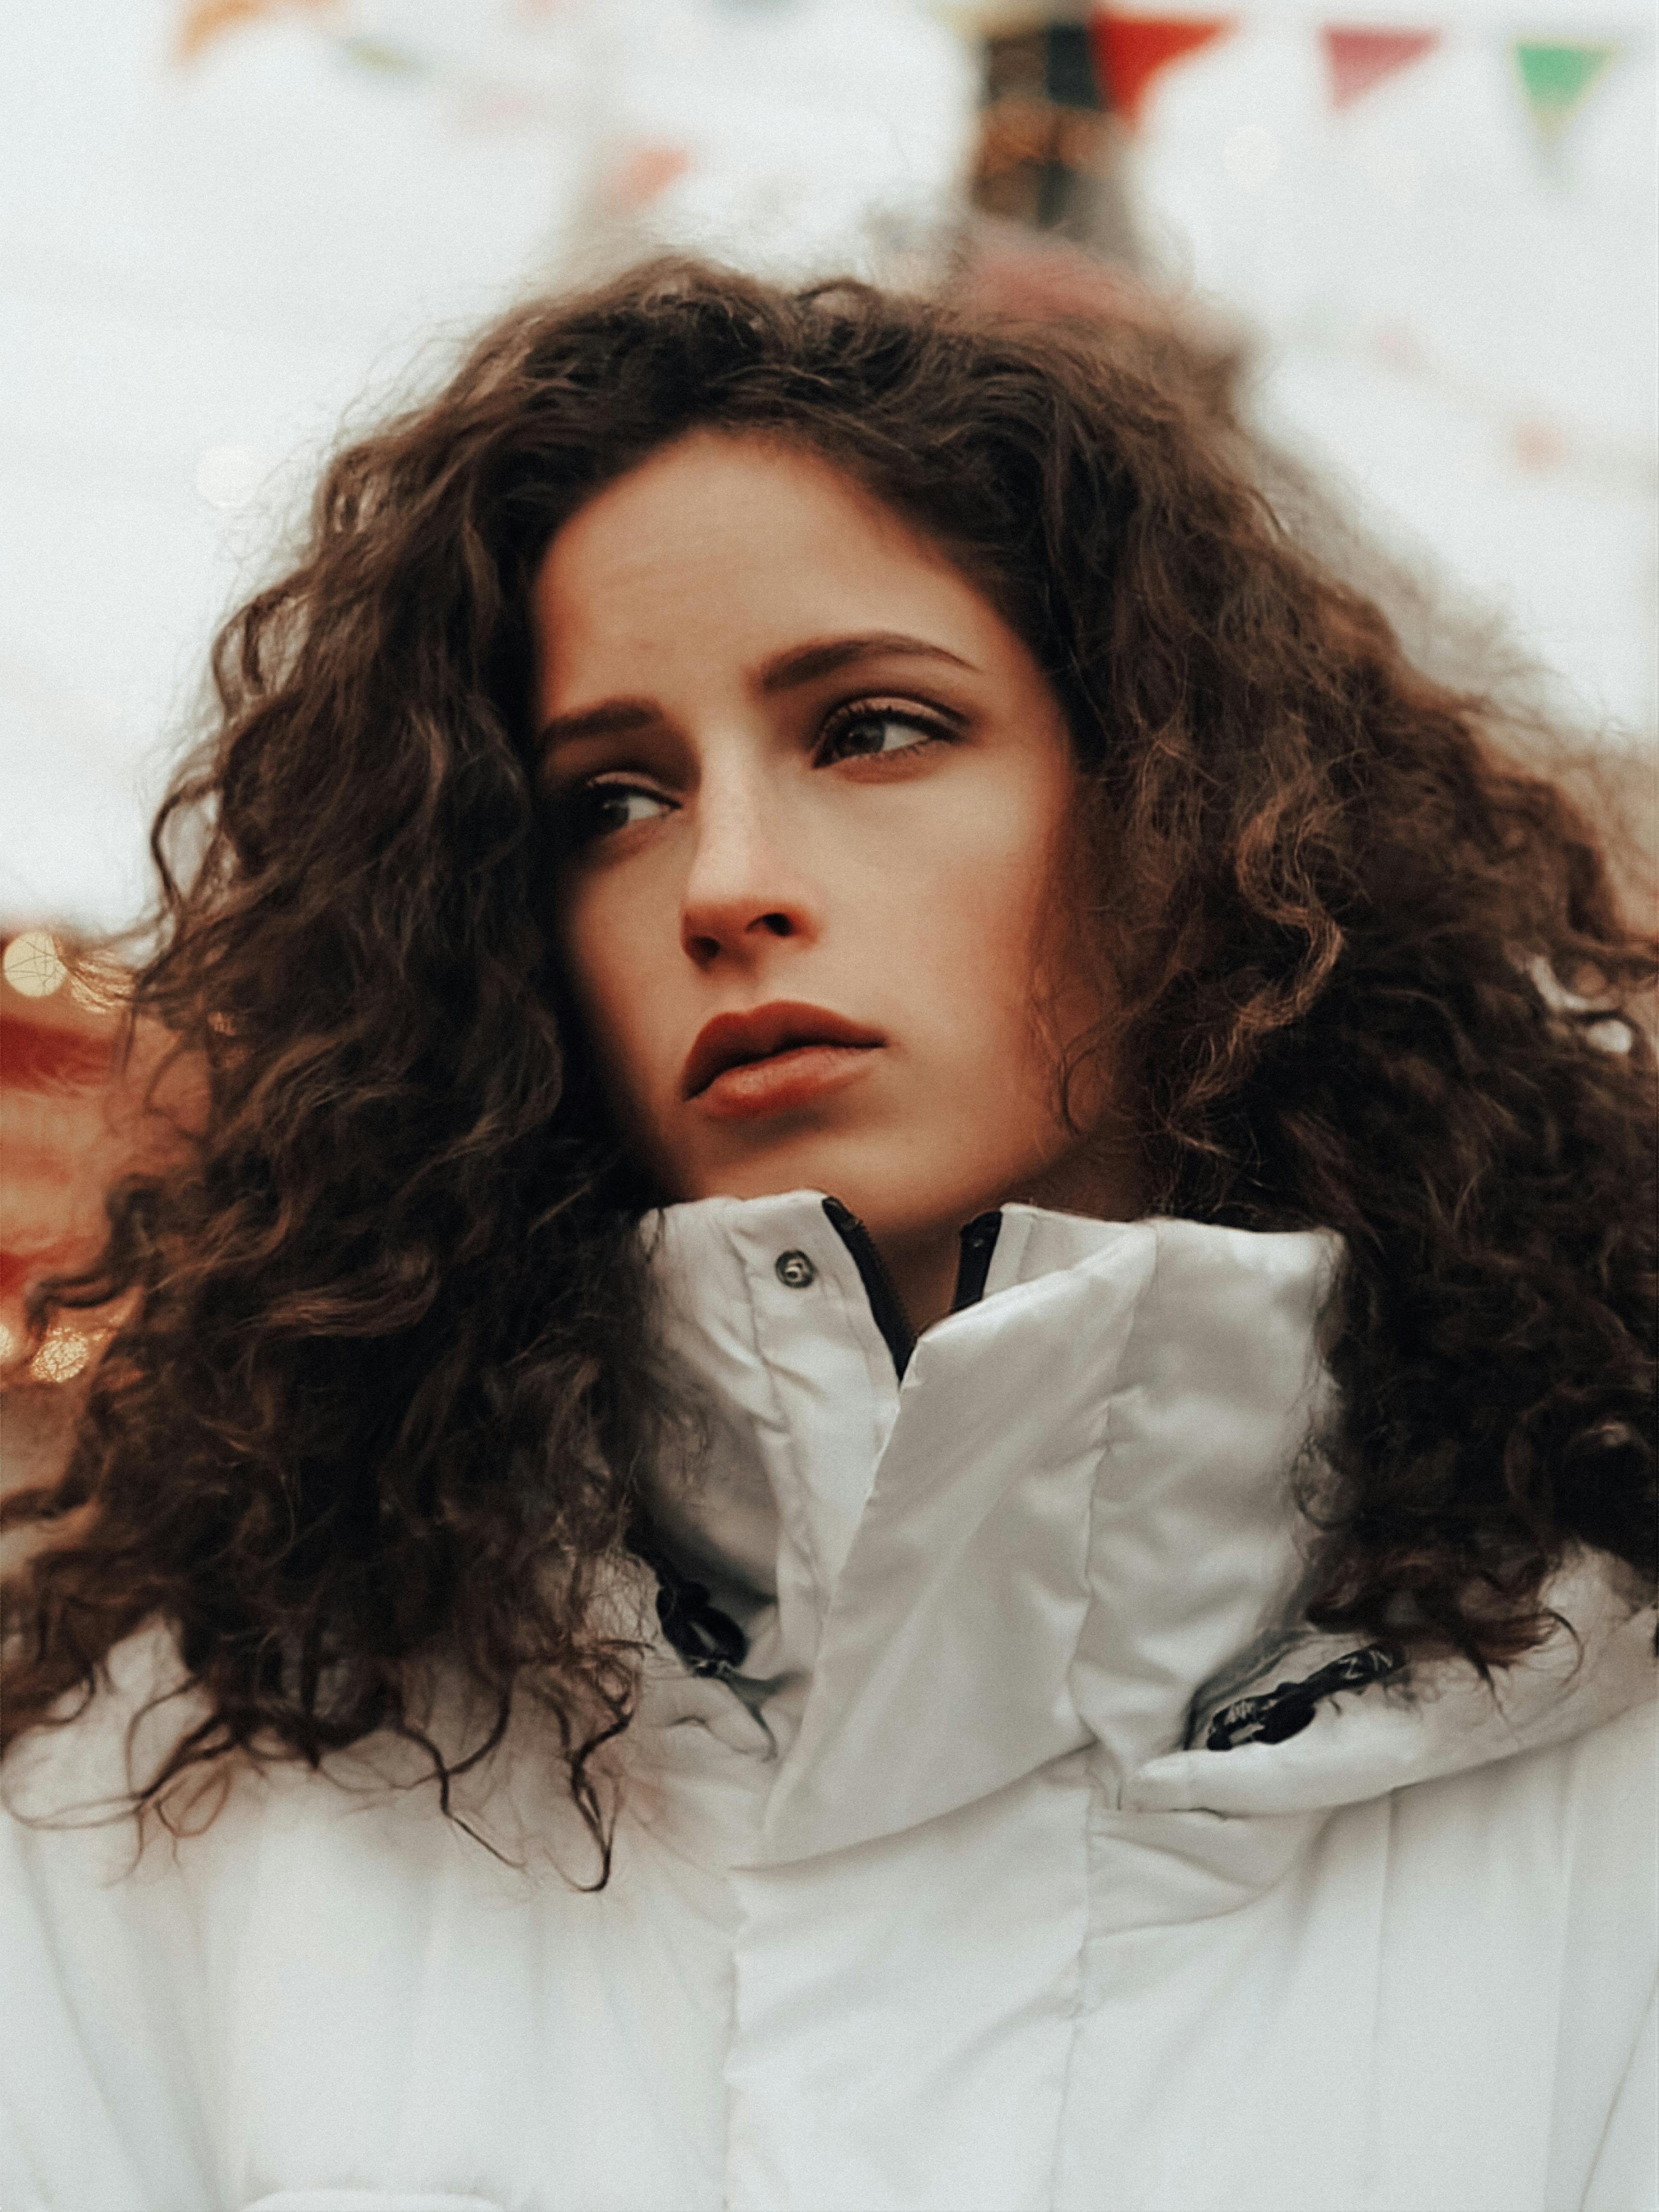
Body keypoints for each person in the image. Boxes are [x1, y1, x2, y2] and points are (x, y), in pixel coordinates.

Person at [1, 259, 1653, 2212]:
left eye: (873, 729)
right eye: (609, 798)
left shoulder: (1605, 1751)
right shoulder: (170, 1794)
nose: (726, 883)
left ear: (1182, 808)